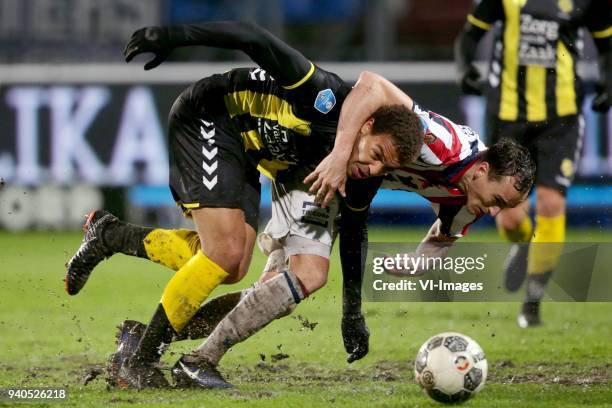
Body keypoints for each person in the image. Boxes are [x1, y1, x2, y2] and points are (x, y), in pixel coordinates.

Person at [101, 70, 535, 386]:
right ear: (480, 170)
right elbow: (372, 85)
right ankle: (198, 359)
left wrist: (415, 265)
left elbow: (436, 237)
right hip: (319, 157)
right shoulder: (440, 143)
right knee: (296, 273)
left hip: (341, 177)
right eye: (498, 201)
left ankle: (146, 335)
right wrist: (343, 149)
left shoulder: (471, 201)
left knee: (270, 288)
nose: (496, 213)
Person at [65, 21, 423, 389]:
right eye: (377, 154)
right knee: (223, 253)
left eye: (386, 167)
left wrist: (351, 313)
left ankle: (109, 235)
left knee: (231, 265)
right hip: (210, 115)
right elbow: (254, 38)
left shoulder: (364, 172)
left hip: (249, 153)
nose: (373, 168)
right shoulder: (323, 96)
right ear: (364, 127)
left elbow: (353, 231)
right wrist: (176, 36)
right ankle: (139, 361)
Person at [454, 0, 611, 327]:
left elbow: (606, 40)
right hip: (508, 119)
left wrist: (608, 81)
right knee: (510, 221)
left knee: (551, 202)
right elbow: (469, 36)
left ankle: (533, 301)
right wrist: (465, 68)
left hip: (562, 119)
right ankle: (526, 245)